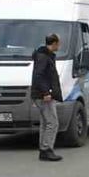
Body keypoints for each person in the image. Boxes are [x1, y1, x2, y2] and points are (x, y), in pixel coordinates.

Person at [31, 34, 64, 162]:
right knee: (52, 123)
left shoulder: (44, 56)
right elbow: (38, 76)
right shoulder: (44, 57)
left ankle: (43, 149)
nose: (59, 46)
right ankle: (46, 149)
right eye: (58, 43)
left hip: (41, 94)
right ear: (54, 43)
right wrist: (46, 92)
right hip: (44, 95)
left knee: (45, 123)